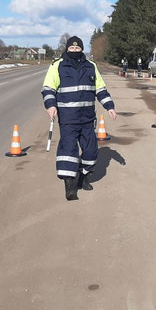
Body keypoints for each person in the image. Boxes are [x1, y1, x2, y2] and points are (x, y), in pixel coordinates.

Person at [42, 36, 117, 200]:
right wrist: (51, 106)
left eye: (77, 48)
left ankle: (83, 177)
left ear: (81, 49)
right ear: (67, 49)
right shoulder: (57, 66)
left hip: (87, 118)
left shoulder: (91, 66)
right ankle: (70, 186)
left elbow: (100, 89)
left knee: (91, 151)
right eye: (72, 48)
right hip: (68, 118)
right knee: (68, 151)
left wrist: (109, 107)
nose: (74, 51)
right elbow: (48, 88)